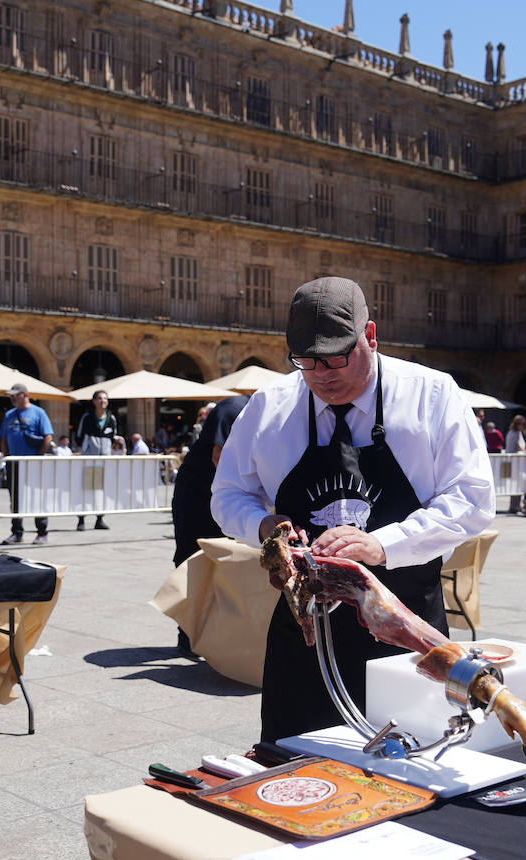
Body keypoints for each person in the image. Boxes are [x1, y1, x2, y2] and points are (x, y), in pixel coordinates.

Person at [211, 276, 495, 743]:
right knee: (296, 767)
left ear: (371, 335)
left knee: (413, 766)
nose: (322, 373)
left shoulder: (432, 394)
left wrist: (382, 543)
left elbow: (472, 498)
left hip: (406, 632)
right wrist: (264, 525)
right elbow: (227, 495)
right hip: (305, 636)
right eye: (306, 361)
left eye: (337, 356)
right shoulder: (270, 406)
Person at [170, 395, 250, 655]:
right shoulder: (232, 409)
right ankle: (188, 634)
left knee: (222, 565)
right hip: (197, 493)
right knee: (191, 560)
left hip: (219, 493)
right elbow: (219, 458)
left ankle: (214, 633)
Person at [0, 382, 53, 545]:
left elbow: (48, 436)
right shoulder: (9, 414)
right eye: (11, 396)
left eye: (15, 395)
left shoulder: (38, 412)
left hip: (33, 462)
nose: (12, 398)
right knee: (14, 499)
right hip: (14, 462)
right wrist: (5, 456)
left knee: (37, 498)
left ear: (25, 395)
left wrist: (38, 455)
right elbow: (3, 437)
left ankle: (42, 532)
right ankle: (17, 532)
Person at [75, 390, 118, 531]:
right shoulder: (87, 417)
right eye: (99, 398)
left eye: (105, 398)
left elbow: (113, 437)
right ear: (94, 401)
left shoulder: (111, 418)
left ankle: (100, 518)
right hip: (89, 459)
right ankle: (81, 519)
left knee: (102, 490)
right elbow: (79, 436)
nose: (102, 401)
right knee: (85, 489)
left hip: (104, 459)